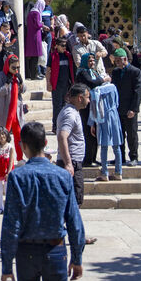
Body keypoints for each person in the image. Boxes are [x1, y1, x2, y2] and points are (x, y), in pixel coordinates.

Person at [0, 120, 85, 281]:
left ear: (23, 146)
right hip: (56, 251)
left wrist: (6, 267)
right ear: (46, 143)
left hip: (26, 252)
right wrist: (77, 258)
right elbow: (75, 222)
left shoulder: (18, 177)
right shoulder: (62, 176)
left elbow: (11, 225)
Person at [55, 85, 91, 217]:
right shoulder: (70, 114)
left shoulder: (72, 111)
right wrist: (68, 163)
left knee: (74, 202)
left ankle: (75, 234)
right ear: (80, 98)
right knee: (75, 200)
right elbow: (62, 136)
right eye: (87, 98)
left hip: (74, 162)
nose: (89, 101)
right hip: (71, 164)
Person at [110, 46, 141, 164]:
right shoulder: (116, 72)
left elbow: (137, 91)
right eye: (115, 61)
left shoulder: (135, 71)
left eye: (119, 60)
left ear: (125, 59)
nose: (117, 63)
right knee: (119, 134)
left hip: (130, 108)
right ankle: (120, 157)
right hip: (118, 108)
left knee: (131, 134)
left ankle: (134, 157)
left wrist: (133, 109)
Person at [89, 73, 123, 181]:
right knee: (116, 146)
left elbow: (93, 108)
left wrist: (92, 123)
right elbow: (117, 103)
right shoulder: (113, 87)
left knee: (103, 146)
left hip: (102, 118)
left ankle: (105, 173)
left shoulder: (96, 91)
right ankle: (118, 172)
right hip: (114, 116)